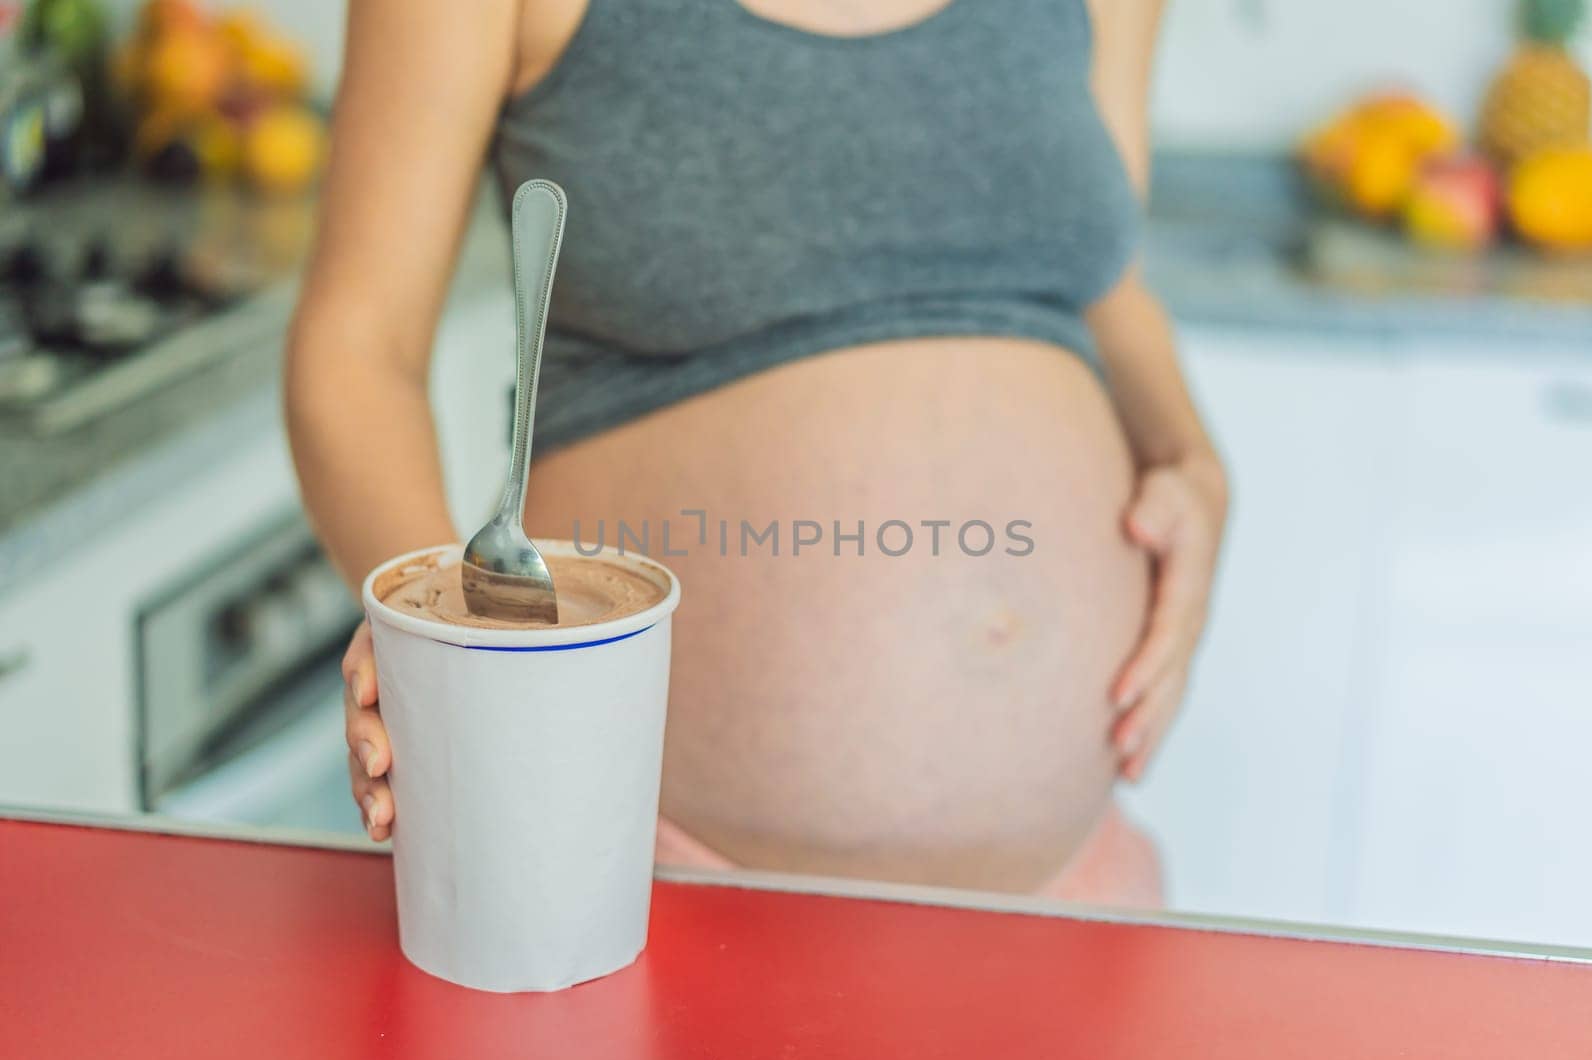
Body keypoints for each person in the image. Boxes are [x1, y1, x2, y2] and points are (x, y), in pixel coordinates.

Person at [286, 0, 1228, 906]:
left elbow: (1108, 280)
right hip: (629, 869)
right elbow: (357, 351)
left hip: (1065, 880)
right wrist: (440, 639)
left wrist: (1193, 461)